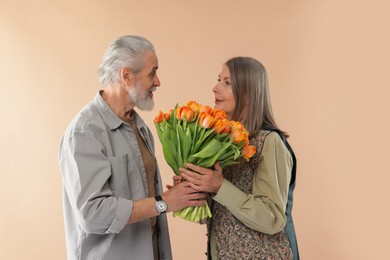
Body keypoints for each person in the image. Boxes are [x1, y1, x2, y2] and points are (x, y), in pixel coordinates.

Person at [59, 35, 206, 260]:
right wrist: (163, 202)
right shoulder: (85, 132)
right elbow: (92, 214)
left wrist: (178, 194)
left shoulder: (139, 126)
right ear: (126, 76)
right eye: (152, 72)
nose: (158, 82)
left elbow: (143, 193)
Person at [176, 57, 299, 259]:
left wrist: (219, 186)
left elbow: (273, 219)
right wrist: (192, 191)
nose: (215, 88)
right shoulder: (221, 142)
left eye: (227, 83)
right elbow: (220, 214)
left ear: (248, 94)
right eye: (218, 80)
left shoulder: (268, 142)